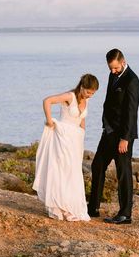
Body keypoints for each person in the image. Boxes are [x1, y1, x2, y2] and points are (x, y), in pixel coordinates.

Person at [32, 74, 99, 221]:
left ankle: (70, 206)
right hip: (63, 137)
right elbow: (47, 101)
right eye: (88, 92)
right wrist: (49, 121)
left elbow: (82, 119)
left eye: (93, 93)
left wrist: (82, 135)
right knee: (62, 171)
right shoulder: (69, 96)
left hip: (76, 140)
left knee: (73, 172)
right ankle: (60, 207)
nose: (90, 96)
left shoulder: (86, 100)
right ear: (81, 87)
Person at [88, 49, 139, 224]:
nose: (113, 71)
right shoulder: (113, 75)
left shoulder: (132, 81)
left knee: (123, 172)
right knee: (97, 165)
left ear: (123, 62)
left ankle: (125, 214)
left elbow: (131, 113)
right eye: (110, 68)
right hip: (109, 132)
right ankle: (93, 208)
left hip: (123, 136)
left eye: (116, 68)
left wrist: (125, 138)